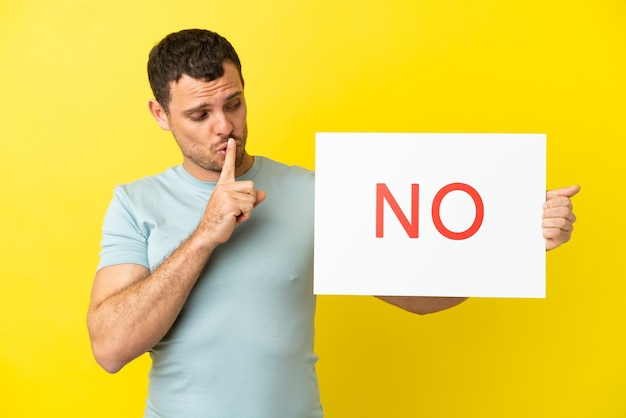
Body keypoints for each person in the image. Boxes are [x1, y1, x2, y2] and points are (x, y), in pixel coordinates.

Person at [87, 29, 580, 417]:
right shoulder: (135, 202)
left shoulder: (316, 191)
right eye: (200, 113)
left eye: (233, 103)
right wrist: (204, 236)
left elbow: (420, 298)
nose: (224, 126)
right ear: (160, 114)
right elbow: (110, 348)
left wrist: (516, 241)